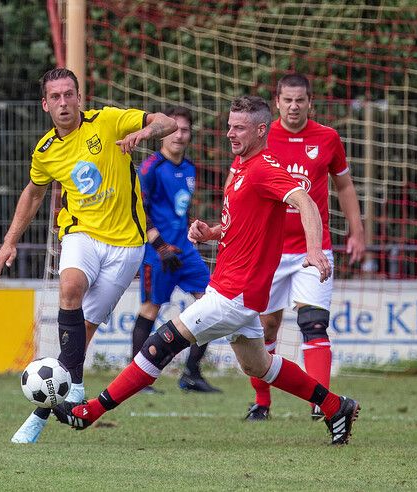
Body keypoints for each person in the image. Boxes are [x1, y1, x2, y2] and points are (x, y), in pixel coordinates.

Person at [52, 96, 361, 445]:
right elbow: (245, 224)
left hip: (235, 294)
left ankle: (89, 412)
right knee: (258, 366)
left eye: (239, 127)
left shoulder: (263, 168)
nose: (230, 133)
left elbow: (304, 199)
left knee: (162, 343)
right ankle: (337, 406)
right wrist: (214, 232)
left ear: (262, 130)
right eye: (229, 125)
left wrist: (314, 250)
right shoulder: (242, 166)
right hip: (232, 289)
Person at [0, 67, 177, 443]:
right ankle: (73, 383)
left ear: (79, 97)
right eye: (55, 97)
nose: (63, 102)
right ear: (45, 104)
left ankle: (40, 414)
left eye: (69, 94)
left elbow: (167, 122)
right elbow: (34, 193)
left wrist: (143, 132)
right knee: (70, 286)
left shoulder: (107, 121)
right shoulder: (45, 151)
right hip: (81, 233)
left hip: (126, 245)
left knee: (84, 332)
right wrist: (9, 241)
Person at [228, 74, 365, 421]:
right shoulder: (261, 134)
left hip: (313, 248)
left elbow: (345, 186)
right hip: (266, 250)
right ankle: (262, 401)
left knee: (314, 323)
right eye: (287, 100)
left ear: (310, 102)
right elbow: (236, 182)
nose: (293, 106)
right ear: (276, 102)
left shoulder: (328, 138)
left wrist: (357, 231)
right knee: (264, 328)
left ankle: (321, 403)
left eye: (299, 100)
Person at [133, 106, 220, 393]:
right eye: (174, 129)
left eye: (184, 130)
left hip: (185, 251)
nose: (179, 135)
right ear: (162, 134)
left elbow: (179, 212)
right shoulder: (150, 169)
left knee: (211, 303)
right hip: (158, 253)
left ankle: (192, 374)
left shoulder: (190, 168)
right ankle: (138, 378)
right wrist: (159, 246)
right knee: (150, 309)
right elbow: (139, 212)